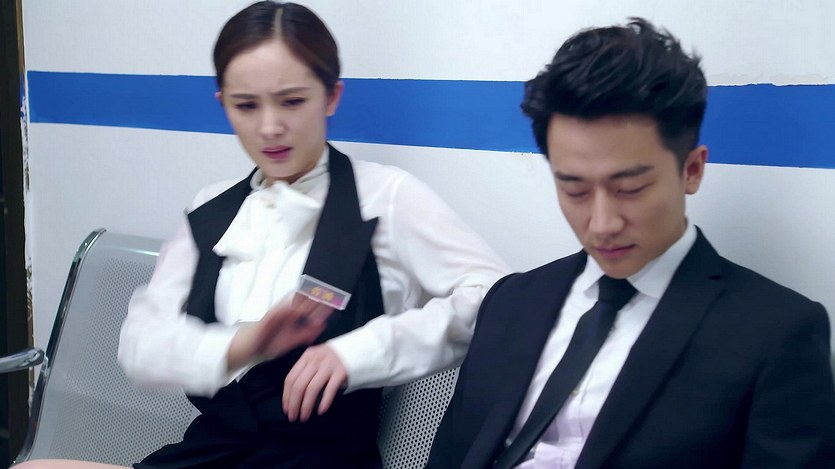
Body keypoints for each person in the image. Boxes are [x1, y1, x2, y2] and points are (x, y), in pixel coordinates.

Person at [18, 2, 508, 468]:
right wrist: (243, 345)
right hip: (210, 453)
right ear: (223, 105)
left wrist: (359, 352)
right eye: (246, 105)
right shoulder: (210, 210)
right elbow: (140, 345)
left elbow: (496, 297)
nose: (270, 127)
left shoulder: (386, 197)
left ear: (332, 96)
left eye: (292, 101)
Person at [427, 18, 835, 469]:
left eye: (630, 189)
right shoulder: (511, 300)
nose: (602, 224)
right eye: (575, 190)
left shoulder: (775, 335)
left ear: (692, 170)